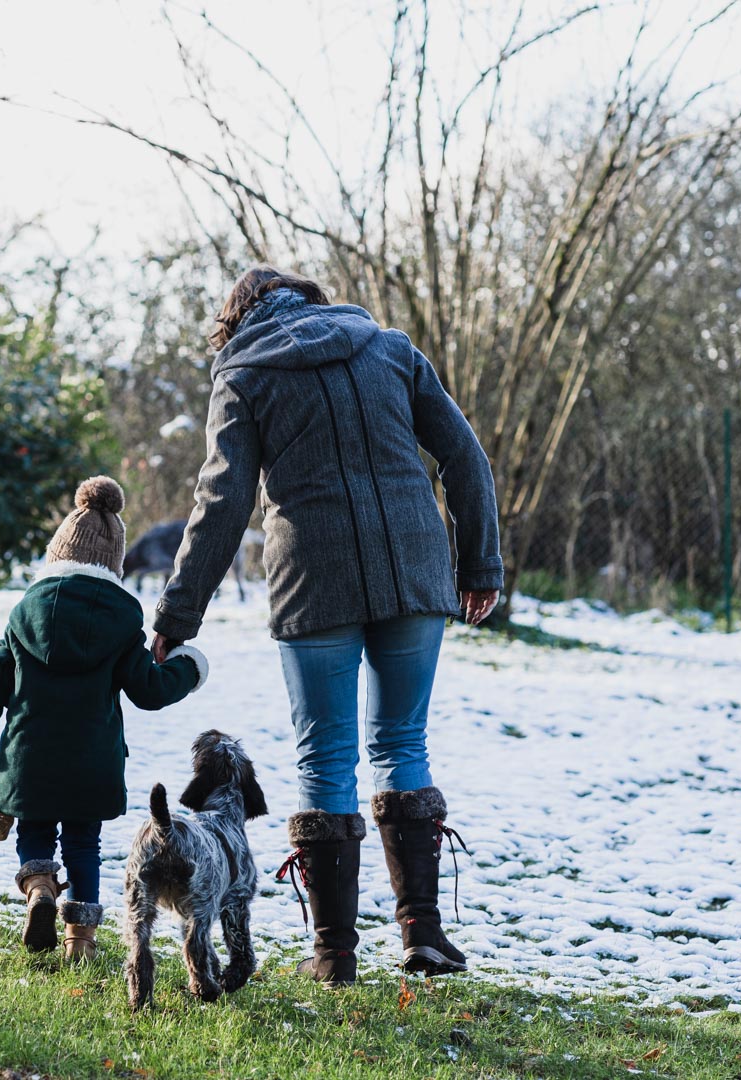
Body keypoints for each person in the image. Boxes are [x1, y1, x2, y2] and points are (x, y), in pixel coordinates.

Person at [149, 267, 502, 986]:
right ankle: (423, 937)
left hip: (314, 577)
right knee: (403, 742)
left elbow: (222, 502)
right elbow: (464, 454)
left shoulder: (244, 375)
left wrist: (175, 617)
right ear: (312, 300)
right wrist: (480, 566)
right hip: (414, 564)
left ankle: (335, 956)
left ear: (234, 321)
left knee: (324, 758)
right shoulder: (388, 347)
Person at [0, 476, 209, 962]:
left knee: (35, 831)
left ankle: (40, 884)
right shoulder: (123, 622)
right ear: (113, 564)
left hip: (30, 758)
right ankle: (79, 942)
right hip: (92, 763)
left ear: (58, 552)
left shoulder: (25, 613)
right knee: (84, 844)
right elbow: (149, 691)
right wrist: (188, 667)